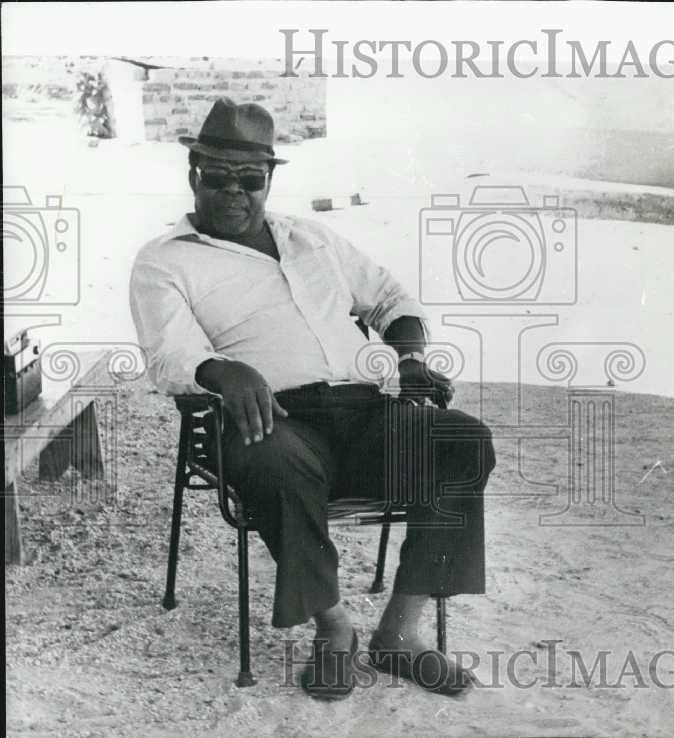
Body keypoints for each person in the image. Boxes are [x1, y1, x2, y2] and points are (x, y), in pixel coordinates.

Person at [129, 97, 494, 699]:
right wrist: (222, 370)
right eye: (218, 177)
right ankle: (334, 630)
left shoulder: (311, 238)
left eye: (250, 179)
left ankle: (400, 633)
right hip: (271, 420)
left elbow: (391, 300)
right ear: (193, 173)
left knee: (462, 441)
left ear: (269, 179)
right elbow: (166, 355)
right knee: (277, 460)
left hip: (366, 412)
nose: (234, 192)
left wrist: (409, 357)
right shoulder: (164, 261)